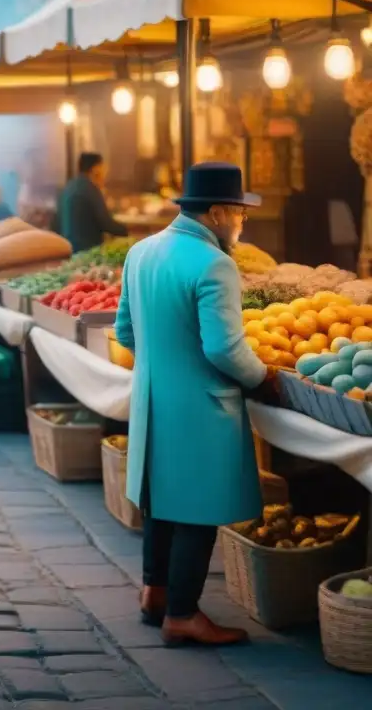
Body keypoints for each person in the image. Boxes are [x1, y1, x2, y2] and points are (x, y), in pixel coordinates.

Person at [115, 162, 272, 647]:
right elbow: (224, 349)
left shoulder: (140, 252)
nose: (242, 224)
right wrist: (264, 379)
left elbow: (124, 331)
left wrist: (165, 364)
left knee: (162, 501)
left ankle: (154, 594)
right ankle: (182, 614)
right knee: (198, 512)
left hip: (152, 403)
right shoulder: (214, 263)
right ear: (220, 212)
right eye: (241, 214)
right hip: (202, 408)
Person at [58, 152, 128, 252]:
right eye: (103, 168)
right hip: (87, 251)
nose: (105, 172)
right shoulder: (90, 188)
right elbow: (106, 223)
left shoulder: (69, 187)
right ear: (96, 169)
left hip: (69, 249)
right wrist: (127, 232)